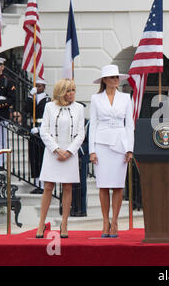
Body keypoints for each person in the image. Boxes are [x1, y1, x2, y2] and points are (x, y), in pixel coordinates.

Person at [35, 79, 85, 239]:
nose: (72, 94)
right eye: (69, 90)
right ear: (61, 92)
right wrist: (56, 149)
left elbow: (81, 133)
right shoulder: (50, 106)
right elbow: (44, 131)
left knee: (68, 187)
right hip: (52, 153)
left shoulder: (79, 108)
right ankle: (41, 223)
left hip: (70, 153)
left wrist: (69, 151)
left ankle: (64, 223)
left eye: (73, 90)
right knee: (48, 186)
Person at [89, 65, 134, 238]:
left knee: (117, 185)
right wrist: (92, 150)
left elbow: (129, 124)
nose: (116, 80)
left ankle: (115, 221)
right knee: (103, 185)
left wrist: (130, 148)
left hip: (120, 144)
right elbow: (93, 124)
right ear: (105, 80)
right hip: (101, 144)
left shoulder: (125, 98)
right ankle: (104, 221)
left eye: (117, 77)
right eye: (112, 77)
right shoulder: (95, 98)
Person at [25, 78, 50, 194]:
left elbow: (48, 118)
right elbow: (26, 110)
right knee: (33, 157)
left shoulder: (48, 100)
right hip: (33, 131)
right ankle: (36, 183)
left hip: (42, 131)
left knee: (41, 157)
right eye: (36, 86)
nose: (38, 88)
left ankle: (43, 184)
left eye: (40, 86)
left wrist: (40, 129)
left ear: (44, 87)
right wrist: (30, 96)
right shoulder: (33, 98)